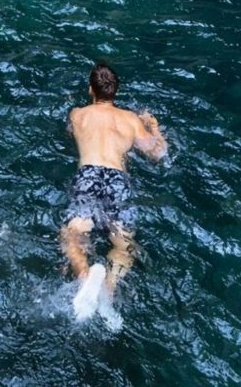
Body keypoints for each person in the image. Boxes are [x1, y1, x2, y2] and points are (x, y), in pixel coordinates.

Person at [60, 62, 167, 317]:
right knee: (123, 243)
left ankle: (86, 277)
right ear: (116, 91)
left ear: (90, 89)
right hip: (118, 179)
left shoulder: (78, 114)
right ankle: (108, 288)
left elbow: (70, 132)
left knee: (73, 233)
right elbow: (158, 154)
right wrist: (154, 126)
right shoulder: (130, 119)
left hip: (88, 174)